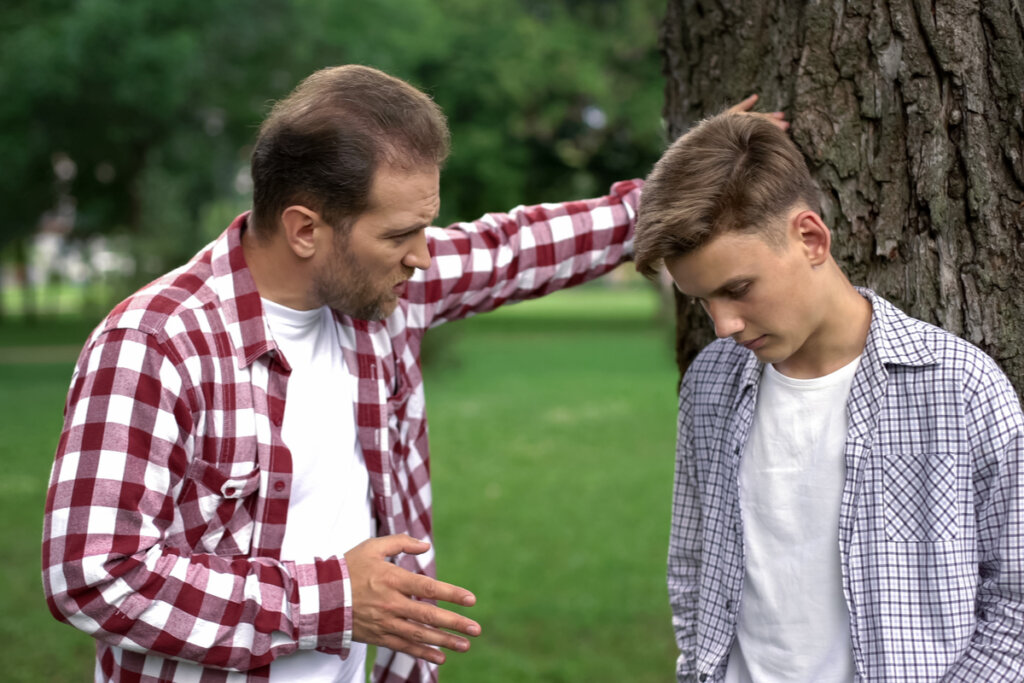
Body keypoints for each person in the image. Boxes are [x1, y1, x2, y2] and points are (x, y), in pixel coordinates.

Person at [633, 112, 1024, 682]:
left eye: (738, 289)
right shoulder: (711, 381)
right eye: (702, 301)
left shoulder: (958, 387)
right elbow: (694, 566)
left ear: (811, 239)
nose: (723, 325)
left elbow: (1015, 602)